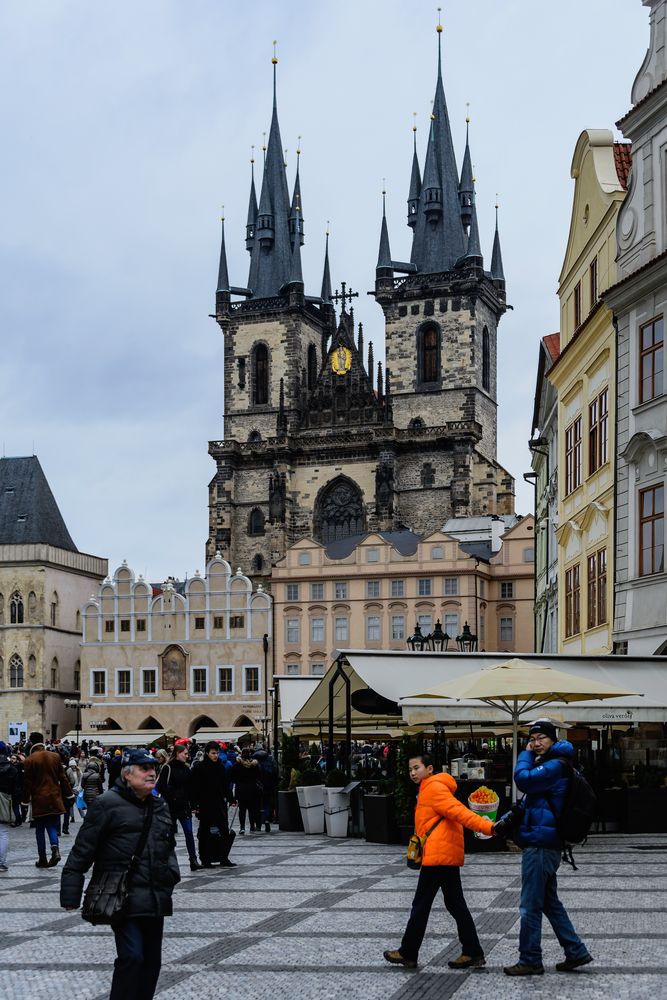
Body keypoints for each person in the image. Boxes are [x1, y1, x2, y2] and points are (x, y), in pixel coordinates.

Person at [60, 748, 180, 1000]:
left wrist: (171, 874)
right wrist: (71, 891)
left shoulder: (159, 805)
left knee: (151, 963)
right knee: (131, 956)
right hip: (120, 894)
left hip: (155, 893)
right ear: (127, 774)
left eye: (153, 769)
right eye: (144, 769)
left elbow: (167, 844)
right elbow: (83, 849)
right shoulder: (107, 804)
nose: (151, 773)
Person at [497, 720, 593, 976]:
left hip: (541, 845)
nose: (536, 743)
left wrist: (526, 754)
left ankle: (530, 959)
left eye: (541, 738)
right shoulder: (552, 764)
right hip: (545, 842)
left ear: (552, 740)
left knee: (529, 905)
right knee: (550, 903)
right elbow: (532, 799)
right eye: (533, 738)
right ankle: (576, 951)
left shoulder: (554, 766)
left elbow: (523, 780)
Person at [383, 752, 494, 971]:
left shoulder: (434, 788)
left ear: (430, 768)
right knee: (455, 904)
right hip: (443, 854)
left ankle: (408, 953)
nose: (413, 773)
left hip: (439, 856)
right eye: (410, 769)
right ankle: (472, 951)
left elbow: (461, 813)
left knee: (421, 905)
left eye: (417, 768)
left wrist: (489, 827)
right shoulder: (428, 788)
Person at [22, 736, 73, 868]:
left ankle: (42, 858)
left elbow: (27, 783)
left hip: (39, 799)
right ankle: (55, 850)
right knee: (51, 826)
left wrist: (25, 801)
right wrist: (69, 794)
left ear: (31, 743)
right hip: (54, 797)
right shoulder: (55, 756)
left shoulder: (30, 760)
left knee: (39, 829)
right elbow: (63, 778)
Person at [156, 739, 203, 871]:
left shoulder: (186, 768)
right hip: (170, 807)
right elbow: (160, 786)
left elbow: (192, 788)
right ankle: (168, 860)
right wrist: (172, 797)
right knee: (169, 835)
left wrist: (194, 805)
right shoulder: (167, 767)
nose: (187, 756)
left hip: (184, 807)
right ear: (177, 754)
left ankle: (193, 860)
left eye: (187, 754)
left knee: (189, 833)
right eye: (185, 754)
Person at [190, 741, 236, 867]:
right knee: (205, 832)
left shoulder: (220, 766)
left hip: (219, 803)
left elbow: (225, 785)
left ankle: (223, 857)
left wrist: (231, 799)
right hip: (205, 804)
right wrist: (194, 805)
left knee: (224, 830)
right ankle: (205, 859)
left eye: (217, 753)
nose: (215, 756)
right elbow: (194, 788)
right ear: (207, 753)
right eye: (213, 753)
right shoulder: (199, 767)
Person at [231, 748, 262, 834]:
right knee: (252, 809)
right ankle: (252, 826)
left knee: (242, 810)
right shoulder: (254, 765)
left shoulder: (237, 765)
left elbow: (232, 777)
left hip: (241, 790)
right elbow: (259, 776)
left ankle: (242, 827)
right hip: (252, 789)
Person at [0, 741, 19, 871]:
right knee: (3, 833)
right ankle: (1, 862)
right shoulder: (12, 769)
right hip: (6, 800)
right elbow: (16, 790)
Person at [63, 758, 82, 835]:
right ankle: (67, 824)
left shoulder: (78, 772)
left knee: (78, 805)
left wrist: (78, 789)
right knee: (69, 808)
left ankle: (82, 816)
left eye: (73, 766)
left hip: (74, 790)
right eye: (71, 766)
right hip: (69, 792)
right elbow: (71, 782)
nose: (72, 767)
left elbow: (80, 781)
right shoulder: (68, 772)